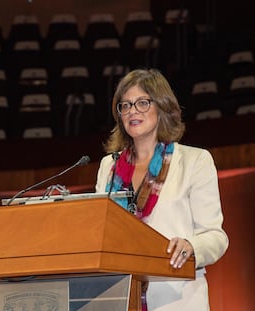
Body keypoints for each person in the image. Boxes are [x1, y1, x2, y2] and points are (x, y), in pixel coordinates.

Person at [95, 68, 229, 310]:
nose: (132, 111)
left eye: (142, 103)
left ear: (162, 107)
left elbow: (216, 237)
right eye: (124, 105)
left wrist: (191, 246)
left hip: (176, 299)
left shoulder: (194, 161)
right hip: (119, 298)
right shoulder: (109, 167)